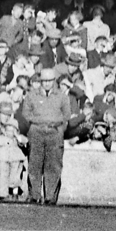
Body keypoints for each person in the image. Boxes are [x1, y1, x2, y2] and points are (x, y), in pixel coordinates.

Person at [19, 67, 74, 205]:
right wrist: (38, 122)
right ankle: (34, 195)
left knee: (53, 165)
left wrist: (59, 128)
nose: (47, 83)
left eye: (50, 80)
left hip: (54, 131)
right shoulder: (31, 96)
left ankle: (50, 196)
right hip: (36, 130)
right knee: (35, 164)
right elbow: (26, 113)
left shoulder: (62, 96)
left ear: (54, 81)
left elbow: (66, 115)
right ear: (41, 81)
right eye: (44, 81)